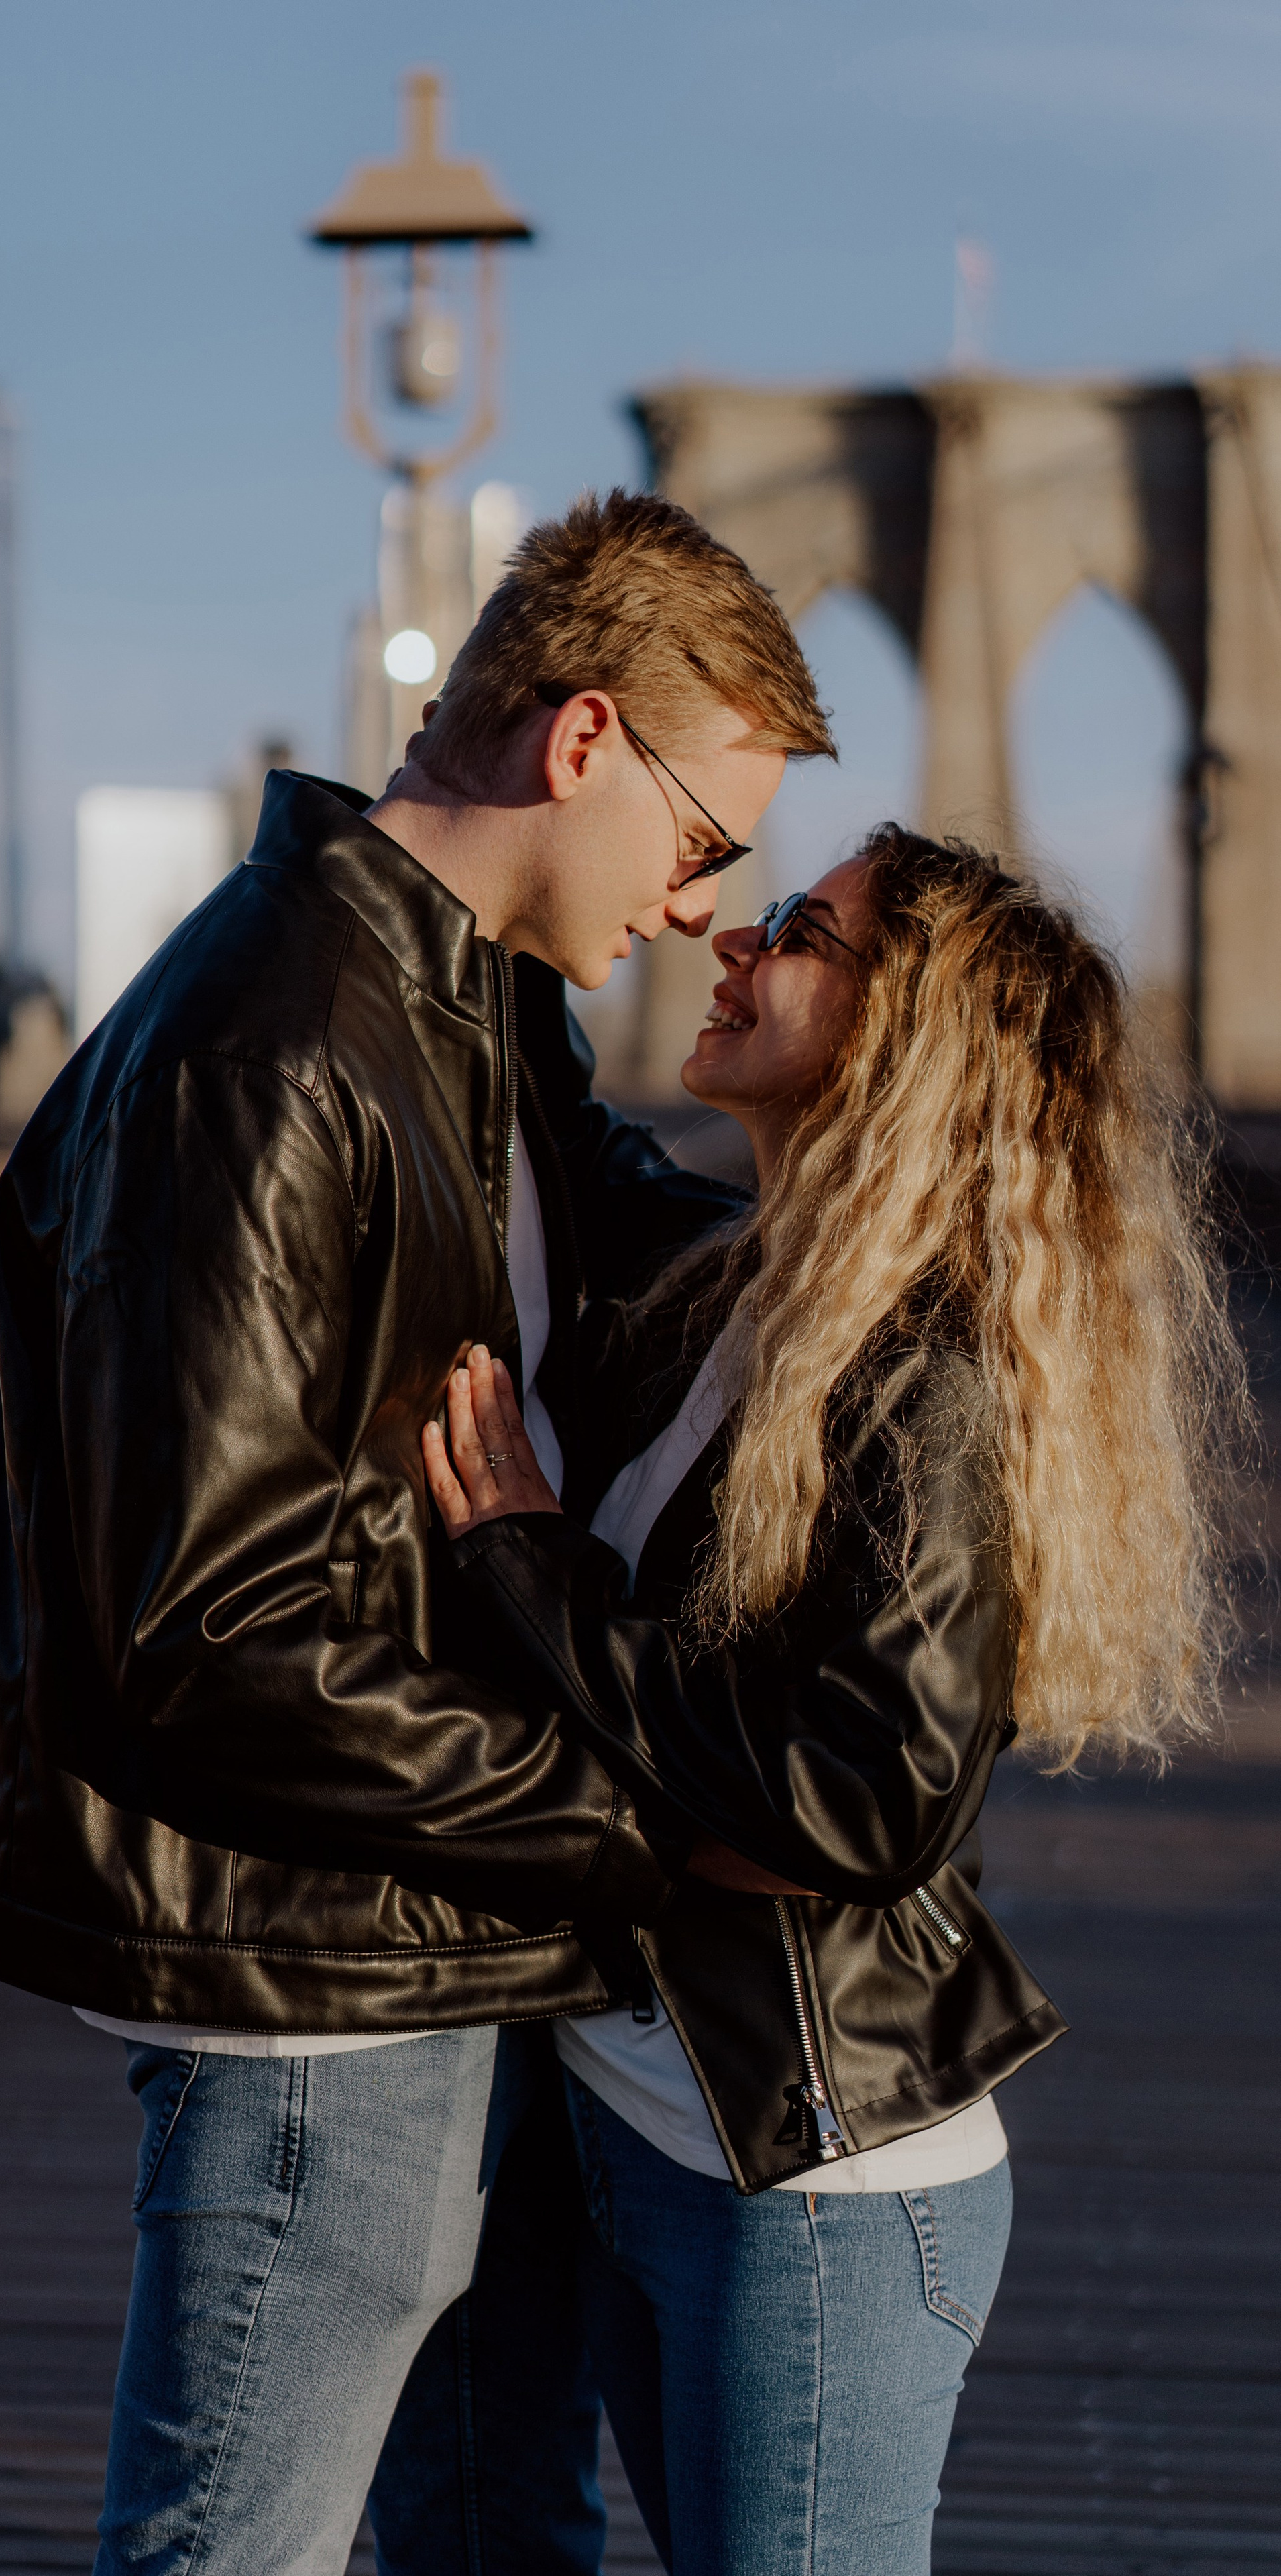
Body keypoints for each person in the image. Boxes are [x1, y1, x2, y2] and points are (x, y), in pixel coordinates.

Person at [0, 489, 836, 2575]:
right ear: (585, 739)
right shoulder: (260, 1052)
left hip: (448, 1943)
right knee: (232, 2548)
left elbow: (619, 1246)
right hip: (314, 1998)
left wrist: (888, 1273)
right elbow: (210, 1631)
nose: (708, 909)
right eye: (708, 842)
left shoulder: (464, 1004)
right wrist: (625, 1827)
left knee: (499, 2525)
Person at [423, 824, 1248, 2576]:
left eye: (798, 927)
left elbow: (865, 1805)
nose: (727, 941)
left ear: (908, 1032)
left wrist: (533, 1567)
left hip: (816, 2191)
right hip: (652, 2127)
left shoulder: (921, 1374)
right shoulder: (739, 1284)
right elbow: (553, 1123)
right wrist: (508, 875)